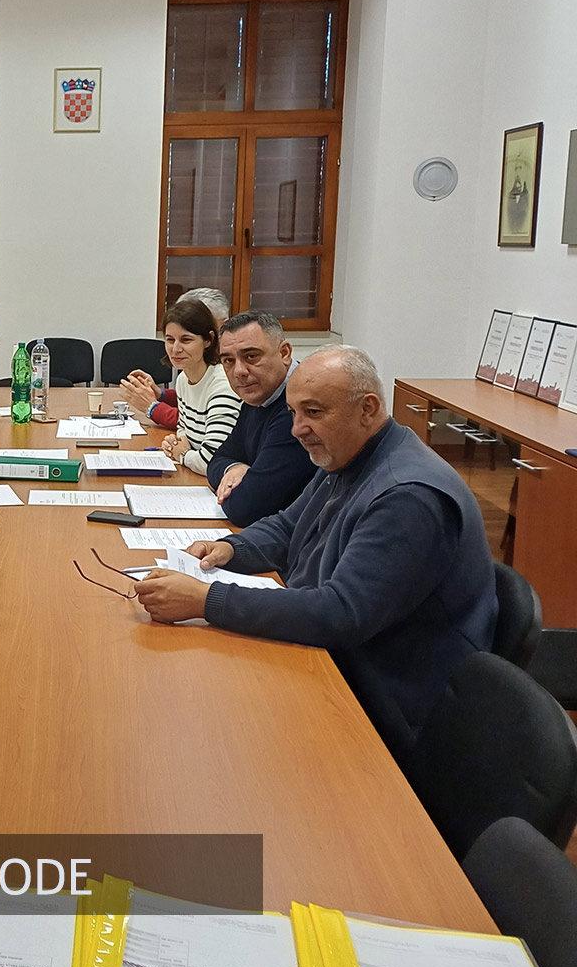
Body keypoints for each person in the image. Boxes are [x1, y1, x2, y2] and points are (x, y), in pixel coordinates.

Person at [133, 347, 497, 761]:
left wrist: (206, 600)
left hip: (388, 702)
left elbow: (340, 614)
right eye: (293, 413)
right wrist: (229, 549)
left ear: (368, 409)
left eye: (314, 412)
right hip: (339, 659)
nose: (297, 429)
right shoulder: (350, 455)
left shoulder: (408, 496)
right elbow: (289, 525)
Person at [205, 310, 318, 526]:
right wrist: (234, 468)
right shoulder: (260, 394)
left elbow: (246, 508)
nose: (239, 371)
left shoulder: (301, 409)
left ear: (284, 353)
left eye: (251, 356)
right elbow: (217, 460)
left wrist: (244, 478)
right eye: (228, 360)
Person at [117, 300, 241, 475]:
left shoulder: (222, 386)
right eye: (170, 340)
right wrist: (176, 443)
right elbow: (184, 430)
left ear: (208, 340)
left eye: (186, 340)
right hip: (194, 474)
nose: (175, 349)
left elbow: (212, 462)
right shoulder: (183, 379)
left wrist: (182, 454)